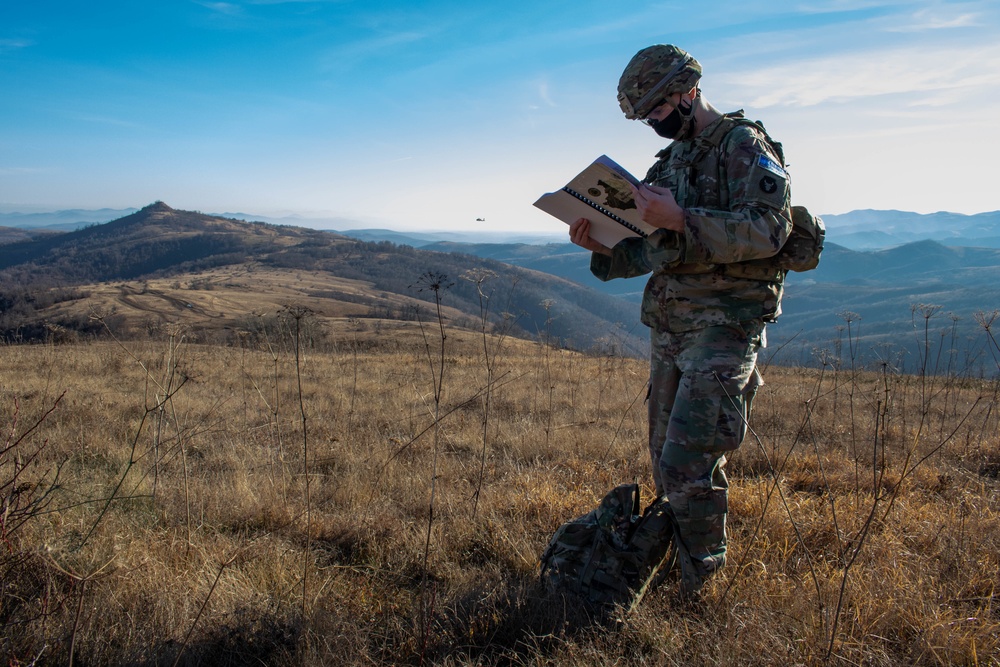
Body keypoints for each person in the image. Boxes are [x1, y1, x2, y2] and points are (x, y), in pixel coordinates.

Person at [568, 44, 793, 598]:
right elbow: (655, 250)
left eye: (656, 112)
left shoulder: (744, 146)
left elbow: (770, 231)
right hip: (671, 326)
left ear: (686, 92)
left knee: (688, 463)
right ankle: (682, 566)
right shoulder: (670, 163)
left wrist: (682, 216)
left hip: (724, 327)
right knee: (667, 461)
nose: (652, 125)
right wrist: (600, 241)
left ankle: (701, 584)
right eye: (644, 117)